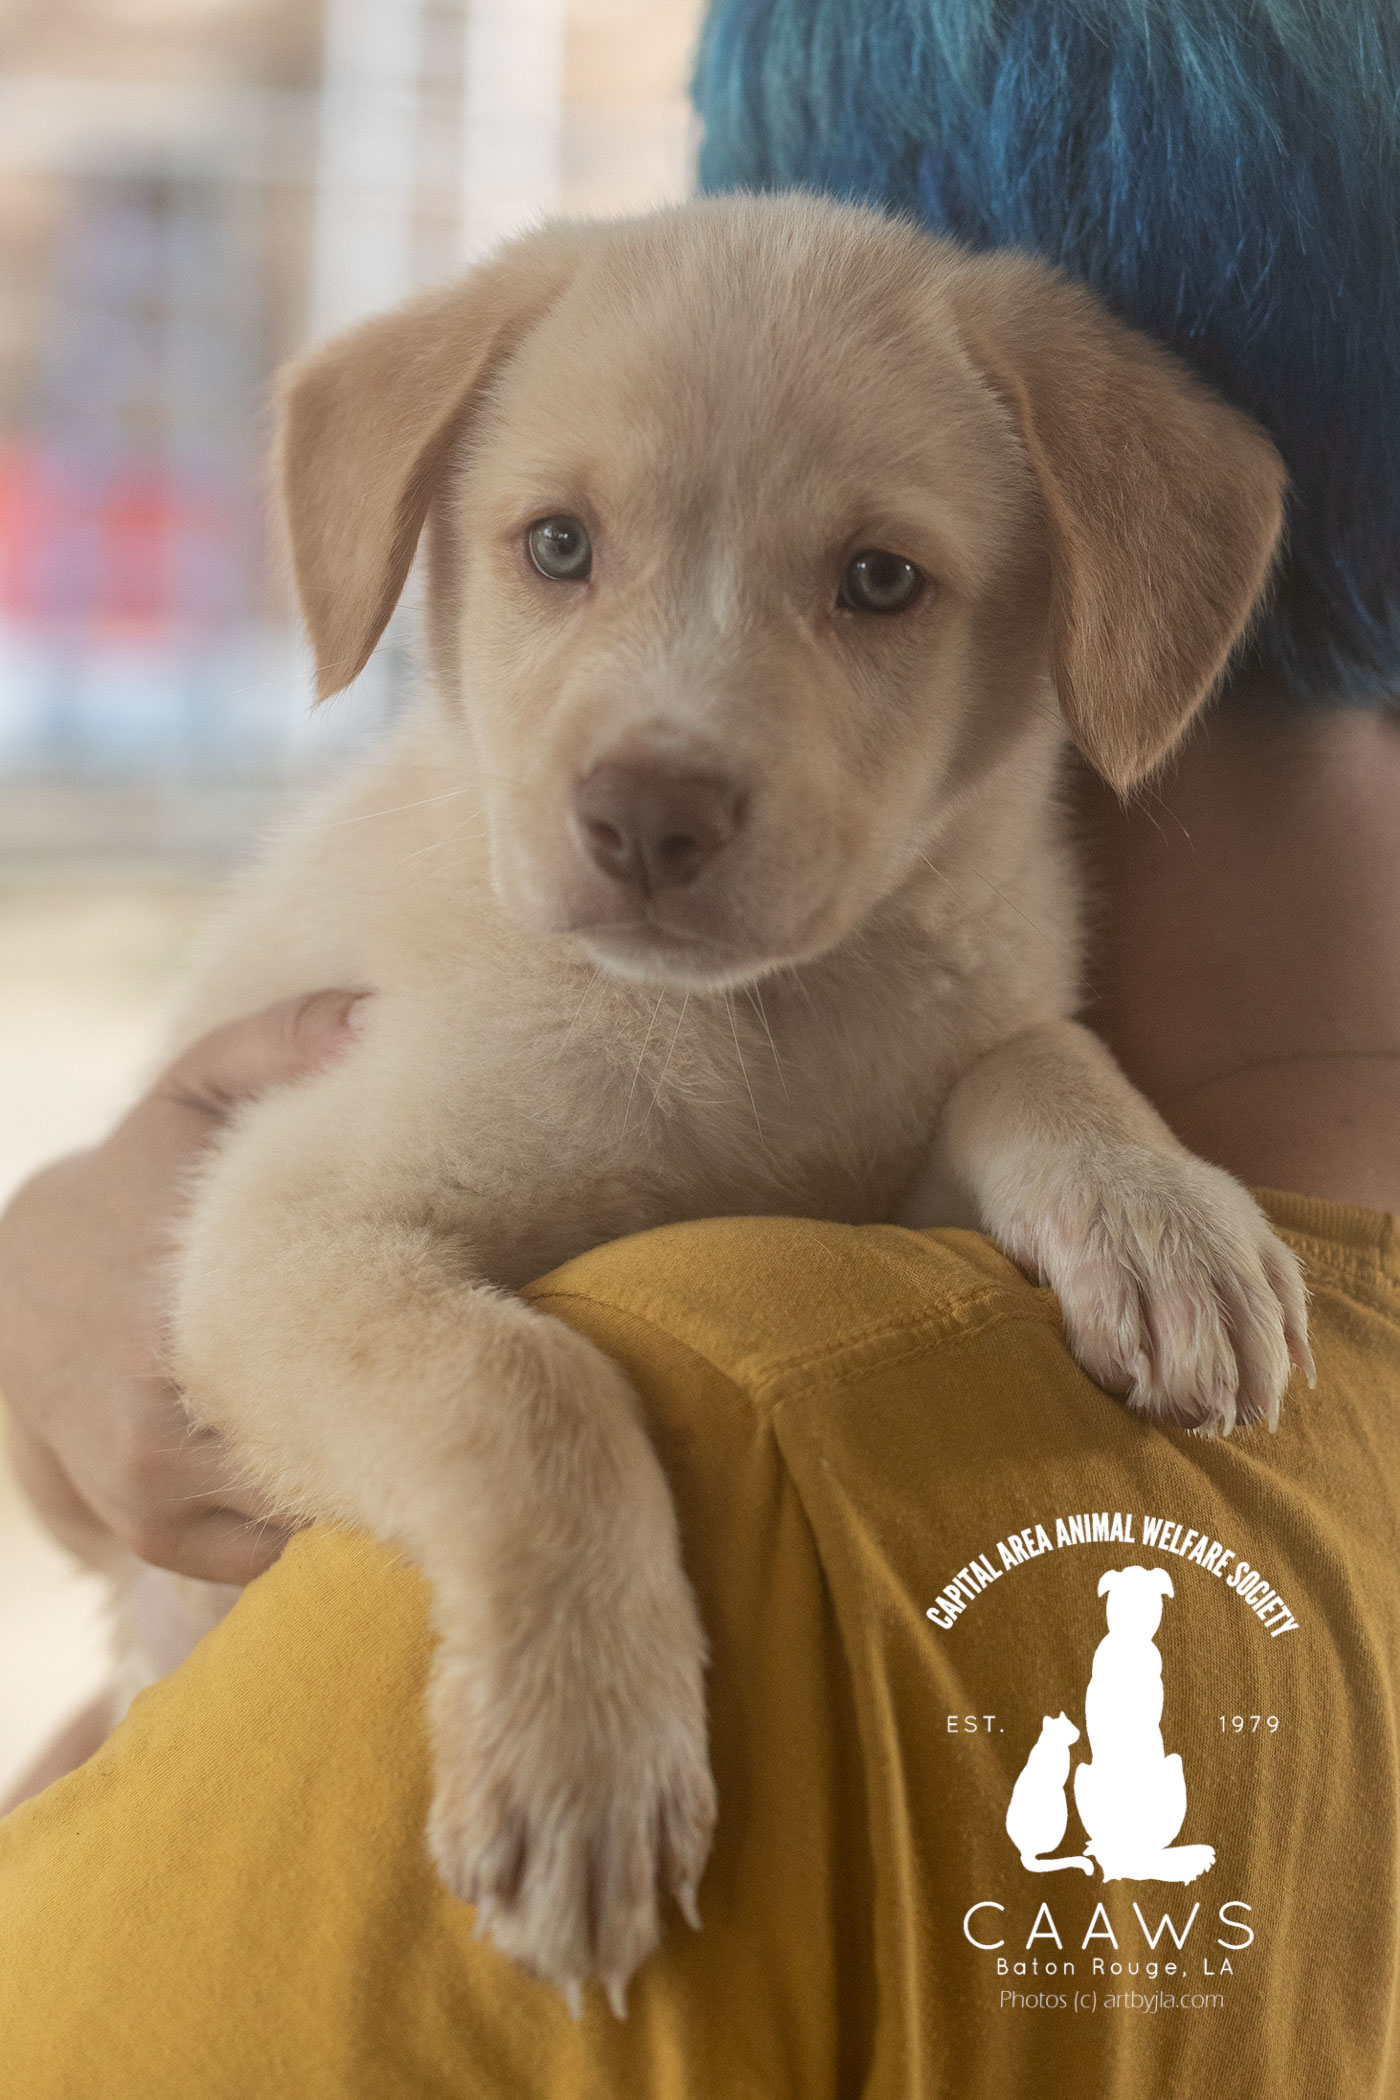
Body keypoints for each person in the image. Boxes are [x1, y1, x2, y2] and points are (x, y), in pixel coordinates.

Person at [1, 3, 1398, 2092]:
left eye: (869, 580)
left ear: (1116, 558)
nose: (664, 752)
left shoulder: (778, 1406)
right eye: (558, 549)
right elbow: (279, 1288)